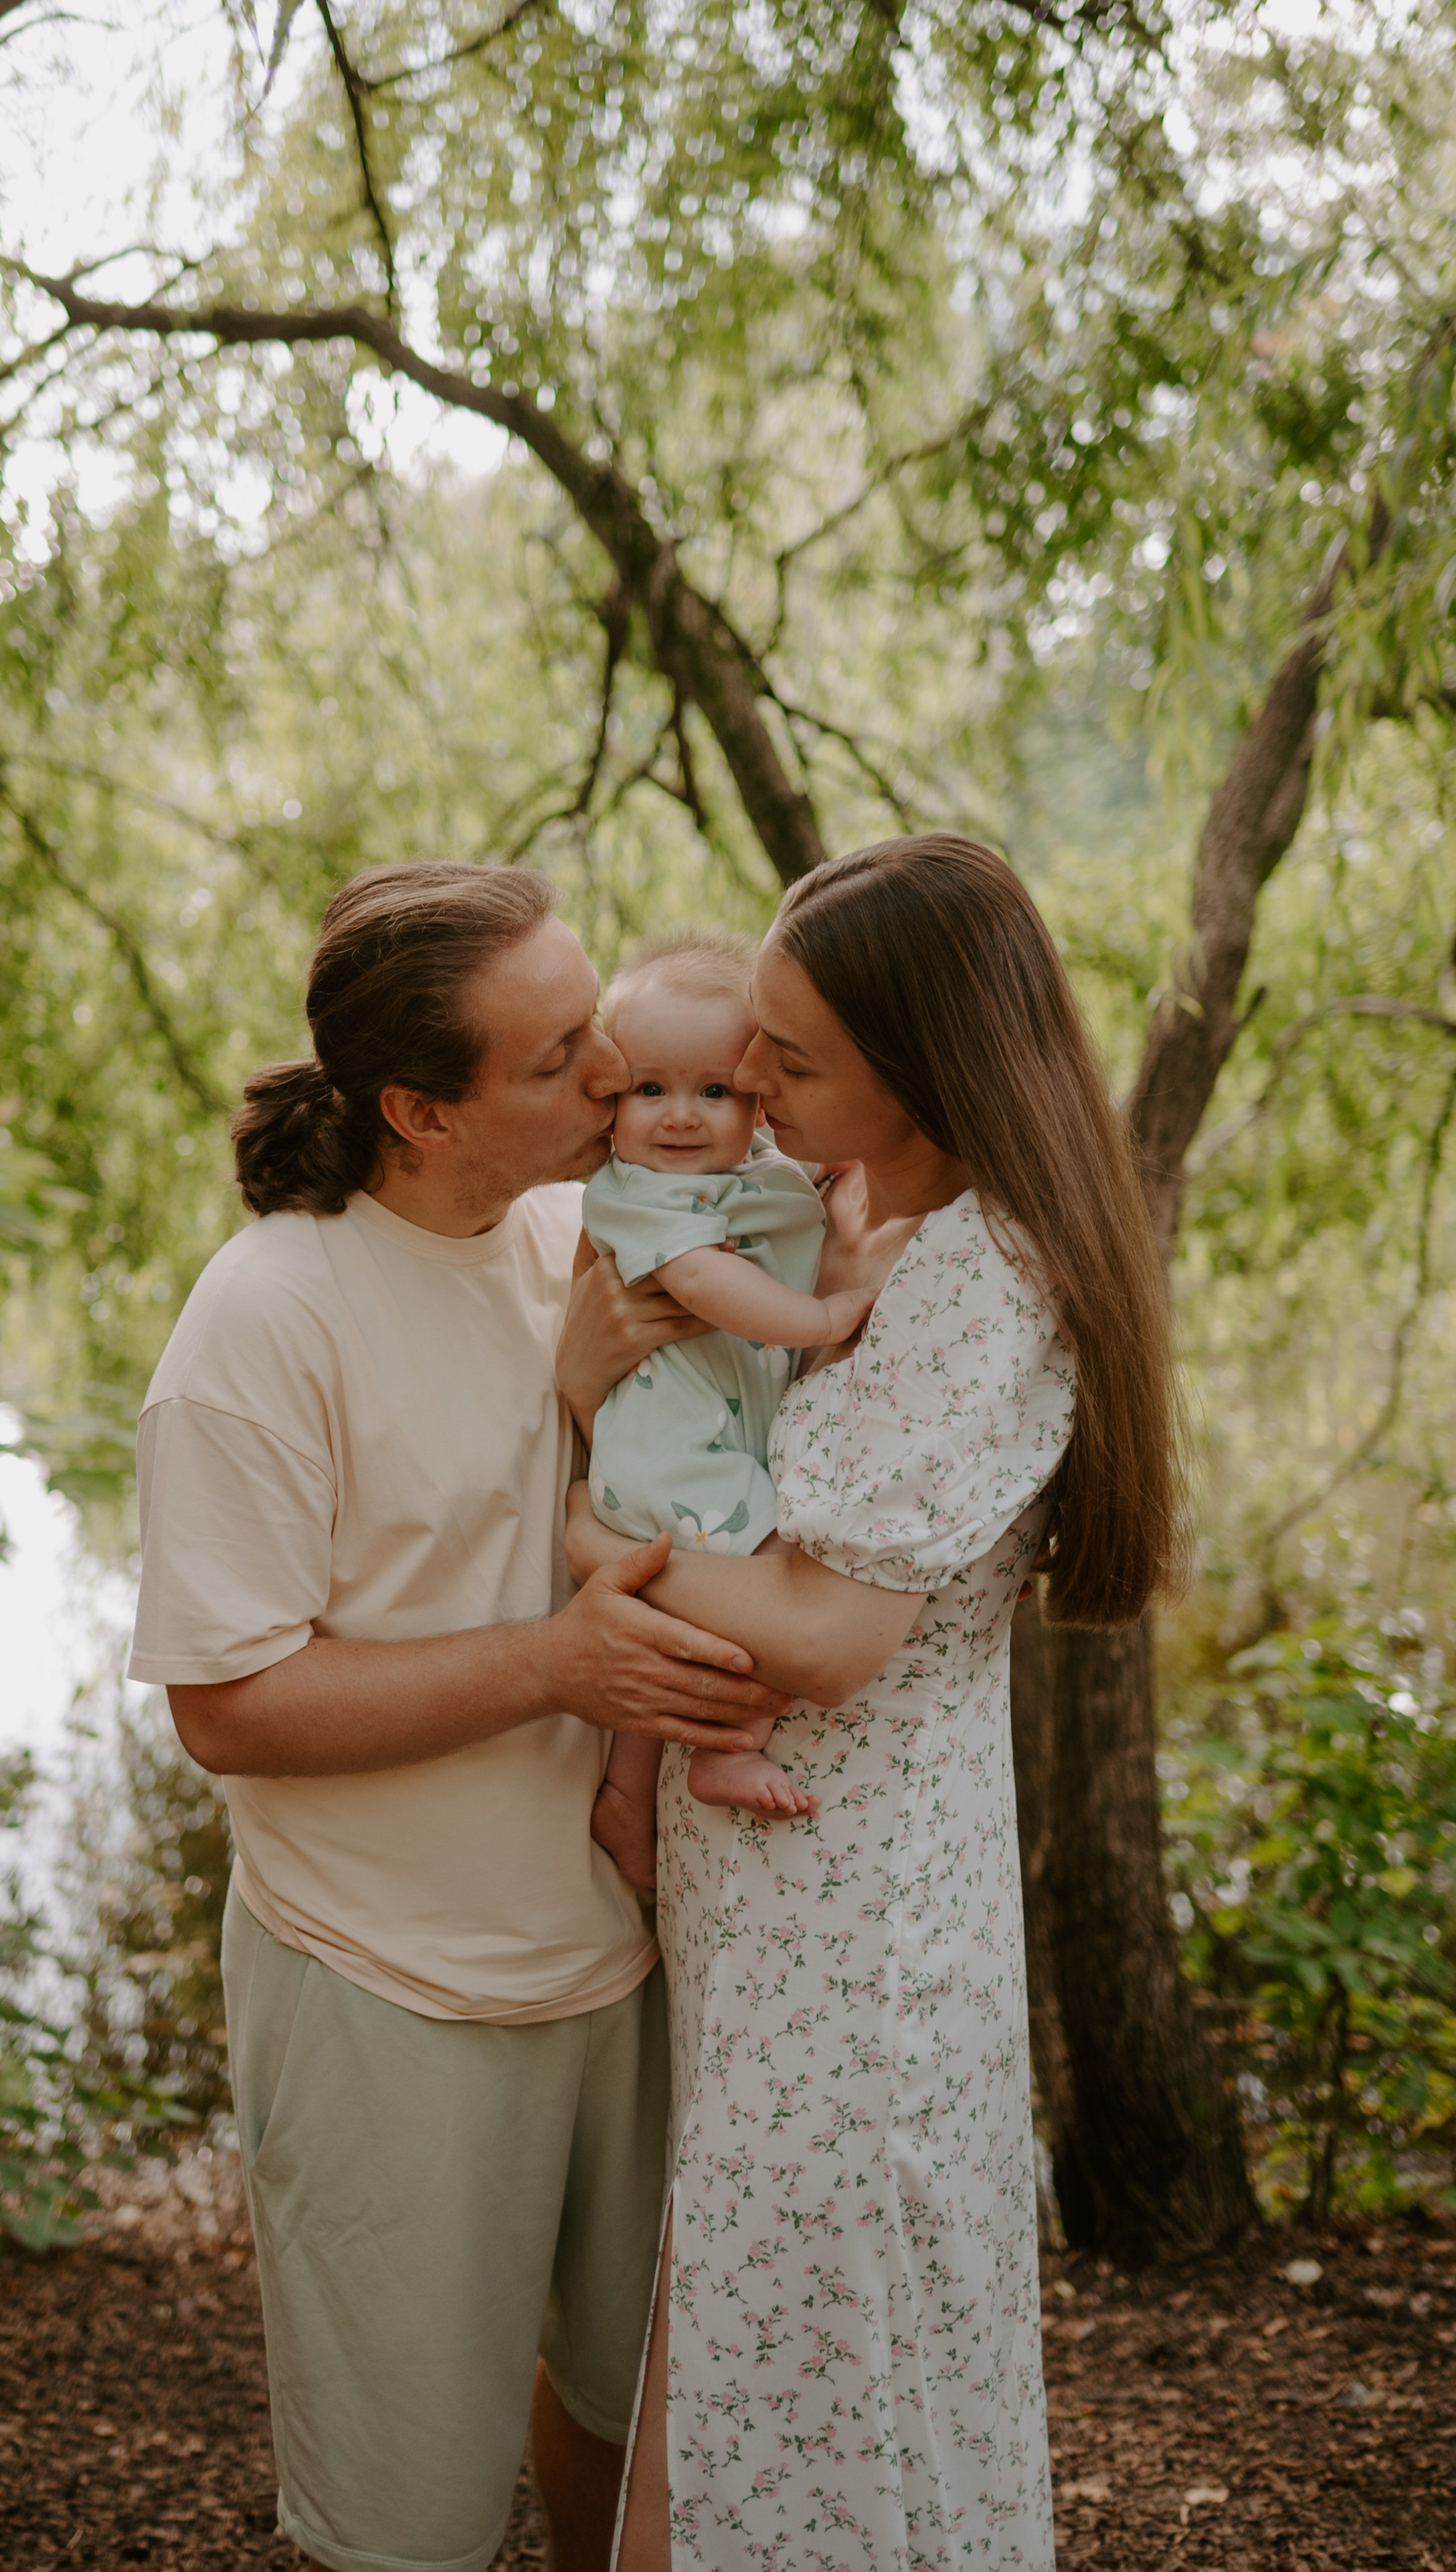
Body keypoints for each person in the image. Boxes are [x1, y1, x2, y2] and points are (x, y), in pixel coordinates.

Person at [126, 862, 790, 2572]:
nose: (615, 1069)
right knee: (405, 2519)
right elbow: (227, 1702)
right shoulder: (265, 1320)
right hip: (387, 1984)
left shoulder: (593, 1229)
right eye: (564, 1049)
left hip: (626, 1953)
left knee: (635, 2423)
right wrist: (551, 1665)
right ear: (420, 1108)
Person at [560, 836, 1185, 2571]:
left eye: (793, 1054)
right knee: (760, 2373)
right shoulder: (888, 1233)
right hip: (793, 1920)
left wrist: (582, 1532)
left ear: (924, 1066)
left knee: (816, 2387)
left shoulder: (987, 1286)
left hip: (861, 1929)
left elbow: (824, 1641)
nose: (746, 1082)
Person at [582, 935, 877, 1892]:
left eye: (714, 1091)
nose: (678, 1118)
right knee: (777, 1584)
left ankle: (628, 1790)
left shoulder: (759, 1176)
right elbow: (710, 1286)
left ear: (757, 1097)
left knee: (666, 1642)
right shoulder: (634, 1197)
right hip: (674, 1452)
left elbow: (802, 1197)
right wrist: (824, 1316)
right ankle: (726, 1744)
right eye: (648, 1090)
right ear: (610, 1101)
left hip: (713, 1443)